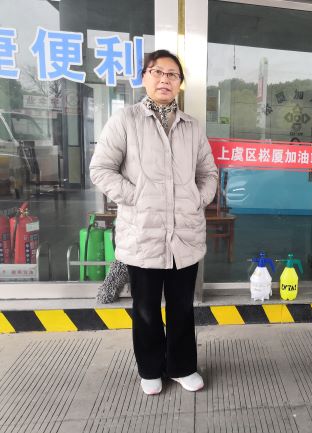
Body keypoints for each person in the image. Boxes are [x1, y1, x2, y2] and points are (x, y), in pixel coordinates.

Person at [90, 50, 218, 396]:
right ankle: (149, 368)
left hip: (184, 236)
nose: (165, 79)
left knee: (181, 307)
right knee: (145, 309)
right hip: (142, 234)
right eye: (157, 72)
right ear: (144, 77)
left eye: (172, 74)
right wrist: (135, 195)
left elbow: (208, 172)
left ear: (180, 83)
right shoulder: (125, 120)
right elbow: (100, 169)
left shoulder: (191, 127)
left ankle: (182, 366)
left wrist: (197, 198)